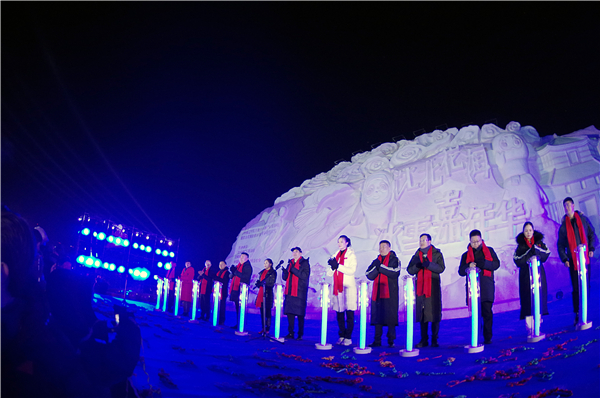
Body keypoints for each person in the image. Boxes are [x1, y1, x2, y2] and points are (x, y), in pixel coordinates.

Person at [556, 197, 598, 325]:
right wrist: (564, 258)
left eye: (569, 205)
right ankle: (577, 312)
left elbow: (591, 234)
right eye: (565, 206)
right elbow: (560, 245)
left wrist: (591, 248)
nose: (567, 207)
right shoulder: (563, 226)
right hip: (573, 261)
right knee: (576, 287)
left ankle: (585, 308)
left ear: (573, 205)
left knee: (586, 284)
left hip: (585, 259)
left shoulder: (583, 219)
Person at [458, 230, 501, 345]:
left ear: (481, 240)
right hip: (473, 289)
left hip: (486, 286)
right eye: (473, 242)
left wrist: (485, 263)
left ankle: (488, 337)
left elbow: (496, 264)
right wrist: (468, 266)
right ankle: (475, 336)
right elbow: (461, 272)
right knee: (475, 314)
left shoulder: (489, 251)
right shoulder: (465, 255)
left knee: (487, 312)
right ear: (470, 242)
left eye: (477, 241)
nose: (475, 244)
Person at [407, 233, 445, 348]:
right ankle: (424, 339)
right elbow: (410, 269)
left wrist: (429, 265)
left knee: (434, 312)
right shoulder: (416, 255)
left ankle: (434, 339)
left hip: (432, 287)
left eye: (424, 240)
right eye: (420, 240)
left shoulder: (436, 253)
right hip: (420, 289)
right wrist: (417, 266)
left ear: (429, 241)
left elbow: (441, 268)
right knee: (422, 314)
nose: (422, 242)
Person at [513, 221, 551, 336]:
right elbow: (517, 260)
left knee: (539, 298)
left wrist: (536, 250)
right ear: (523, 233)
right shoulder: (520, 246)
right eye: (526, 231)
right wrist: (530, 252)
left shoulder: (539, 243)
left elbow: (546, 253)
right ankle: (529, 328)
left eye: (530, 230)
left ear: (533, 231)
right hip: (526, 277)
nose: (528, 233)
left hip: (539, 274)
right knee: (527, 300)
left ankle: (538, 326)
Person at [365, 240, 401, 348]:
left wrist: (380, 267)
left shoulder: (395, 259)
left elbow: (395, 272)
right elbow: (368, 275)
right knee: (377, 317)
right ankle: (377, 340)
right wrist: (377, 267)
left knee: (390, 317)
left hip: (390, 293)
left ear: (389, 248)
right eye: (380, 247)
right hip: (378, 293)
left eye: (384, 247)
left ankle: (391, 340)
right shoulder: (376, 260)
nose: (382, 249)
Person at [327, 235, 357, 346]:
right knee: (339, 313)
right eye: (338, 242)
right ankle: (342, 335)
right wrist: (332, 267)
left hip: (347, 287)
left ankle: (348, 337)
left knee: (349, 313)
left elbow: (351, 270)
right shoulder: (336, 255)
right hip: (338, 287)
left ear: (347, 243)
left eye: (341, 242)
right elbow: (329, 273)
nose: (339, 244)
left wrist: (338, 266)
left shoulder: (351, 255)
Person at [282, 247, 311, 340]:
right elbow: (285, 278)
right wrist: (285, 273)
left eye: (296, 252)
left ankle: (300, 334)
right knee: (290, 313)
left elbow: (304, 276)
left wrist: (293, 269)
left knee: (300, 314)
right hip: (290, 291)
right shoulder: (290, 263)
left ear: (301, 253)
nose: (294, 253)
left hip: (300, 292)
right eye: (293, 252)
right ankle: (290, 332)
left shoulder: (305, 263)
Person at [229, 252, 253, 329]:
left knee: (240, 307)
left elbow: (245, 277)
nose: (241, 258)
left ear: (247, 259)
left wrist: (235, 272)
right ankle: (238, 323)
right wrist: (233, 271)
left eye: (243, 257)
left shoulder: (247, 266)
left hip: (242, 289)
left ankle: (240, 324)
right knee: (237, 307)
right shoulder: (239, 266)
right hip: (236, 289)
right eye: (240, 257)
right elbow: (231, 276)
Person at [254, 259, 277, 334]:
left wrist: (263, 284)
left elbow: (271, 284)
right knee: (262, 312)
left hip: (268, 294)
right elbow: (260, 281)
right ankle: (263, 327)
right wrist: (258, 284)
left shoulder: (272, 272)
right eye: (264, 263)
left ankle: (267, 328)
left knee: (267, 312)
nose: (265, 264)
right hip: (261, 293)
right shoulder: (262, 272)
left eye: (266, 263)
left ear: (270, 264)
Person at [214, 261, 230, 325]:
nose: (220, 265)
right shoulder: (218, 272)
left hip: (223, 292)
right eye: (219, 264)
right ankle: (216, 318)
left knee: (222, 306)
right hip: (217, 291)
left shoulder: (227, 273)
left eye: (222, 264)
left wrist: (216, 278)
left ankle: (222, 320)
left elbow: (225, 281)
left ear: (225, 265)